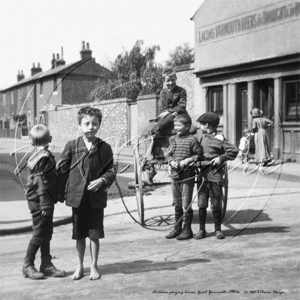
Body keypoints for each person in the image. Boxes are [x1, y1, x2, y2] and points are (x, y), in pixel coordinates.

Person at [56, 106, 116, 280]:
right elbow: (62, 171)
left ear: (99, 125)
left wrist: (103, 180)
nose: (91, 127)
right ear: (80, 126)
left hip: (95, 199)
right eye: (87, 124)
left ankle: (94, 266)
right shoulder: (72, 146)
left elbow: (111, 170)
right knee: (79, 234)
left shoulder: (104, 147)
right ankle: (79, 266)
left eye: (94, 124)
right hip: (77, 198)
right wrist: (58, 193)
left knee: (95, 234)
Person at [22, 124, 65, 279]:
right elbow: (42, 183)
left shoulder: (35, 155)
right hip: (40, 202)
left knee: (46, 232)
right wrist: (46, 205)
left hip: (39, 200)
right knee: (39, 233)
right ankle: (27, 265)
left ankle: (46, 264)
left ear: (31, 142)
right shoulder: (44, 158)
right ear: (51, 139)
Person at [195, 112, 238, 240]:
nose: (199, 127)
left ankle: (217, 229)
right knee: (202, 203)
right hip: (202, 175)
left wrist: (221, 158)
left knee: (216, 203)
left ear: (207, 125)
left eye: (201, 124)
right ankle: (202, 230)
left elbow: (234, 151)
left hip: (215, 176)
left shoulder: (220, 139)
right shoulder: (200, 138)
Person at [165, 114, 201, 241]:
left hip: (187, 176)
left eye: (178, 125)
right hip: (175, 176)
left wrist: (187, 160)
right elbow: (168, 154)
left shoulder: (192, 140)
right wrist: (171, 161)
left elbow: (198, 155)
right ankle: (177, 228)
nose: (176, 128)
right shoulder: (173, 140)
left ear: (187, 126)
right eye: (175, 125)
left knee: (186, 204)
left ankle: (187, 230)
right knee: (177, 203)